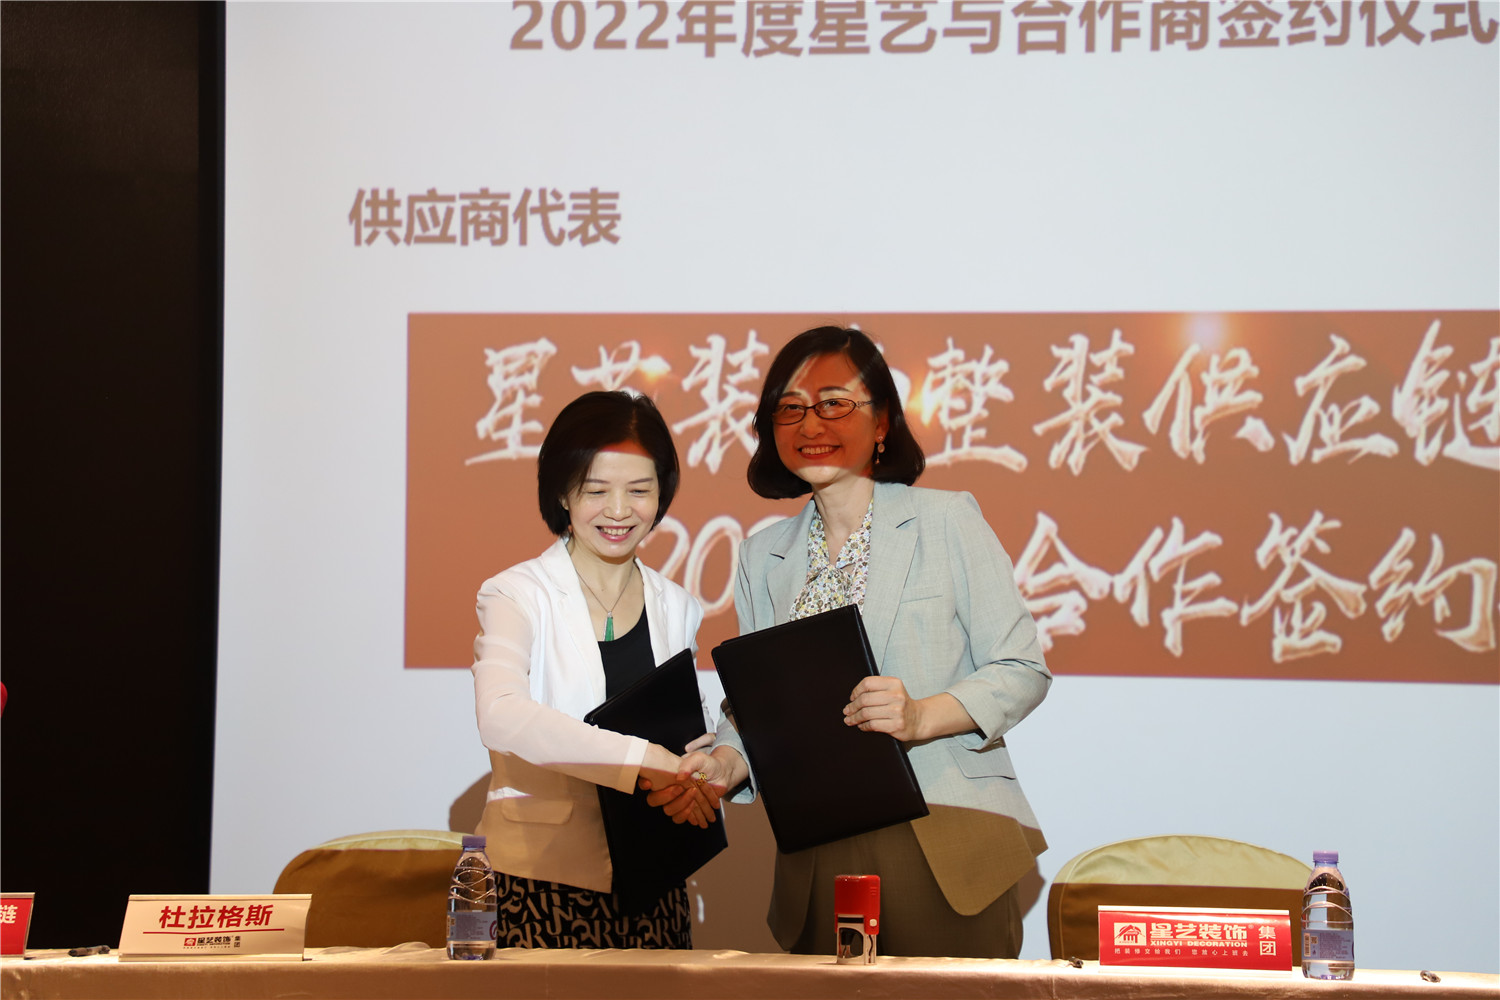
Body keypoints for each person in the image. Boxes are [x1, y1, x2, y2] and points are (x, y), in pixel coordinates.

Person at [650, 327, 1051, 958]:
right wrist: (727, 761)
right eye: (790, 407)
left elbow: (1022, 668)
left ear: (882, 421)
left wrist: (920, 715)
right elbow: (759, 702)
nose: (811, 423)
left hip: (942, 835)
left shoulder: (946, 520)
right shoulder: (762, 555)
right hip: (819, 847)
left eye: (834, 402)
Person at [470, 390, 714, 950]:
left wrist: (696, 777)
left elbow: (685, 732)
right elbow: (500, 715)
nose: (619, 511)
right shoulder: (517, 593)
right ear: (562, 492)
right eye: (596, 490)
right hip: (539, 881)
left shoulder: (678, 605)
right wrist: (643, 760)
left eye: (639, 490)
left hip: (655, 880)